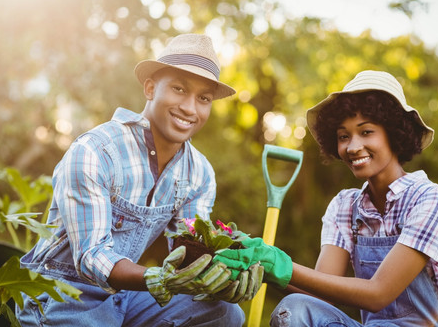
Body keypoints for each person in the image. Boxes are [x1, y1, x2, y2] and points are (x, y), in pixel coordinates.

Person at [17, 34, 261, 327]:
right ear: (150, 88)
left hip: (124, 296)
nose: (189, 108)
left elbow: (187, 252)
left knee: (224, 313)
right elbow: (92, 257)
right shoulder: (96, 151)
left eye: (203, 98)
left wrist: (225, 272)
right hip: (63, 294)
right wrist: (157, 278)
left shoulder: (199, 173)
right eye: (179, 89)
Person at [214, 70, 438, 326]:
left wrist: (281, 264)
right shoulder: (345, 206)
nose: (352, 146)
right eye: (343, 136)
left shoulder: (432, 199)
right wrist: (260, 265)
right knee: (294, 309)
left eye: (366, 132)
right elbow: (317, 292)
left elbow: (379, 293)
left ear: (394, 134)